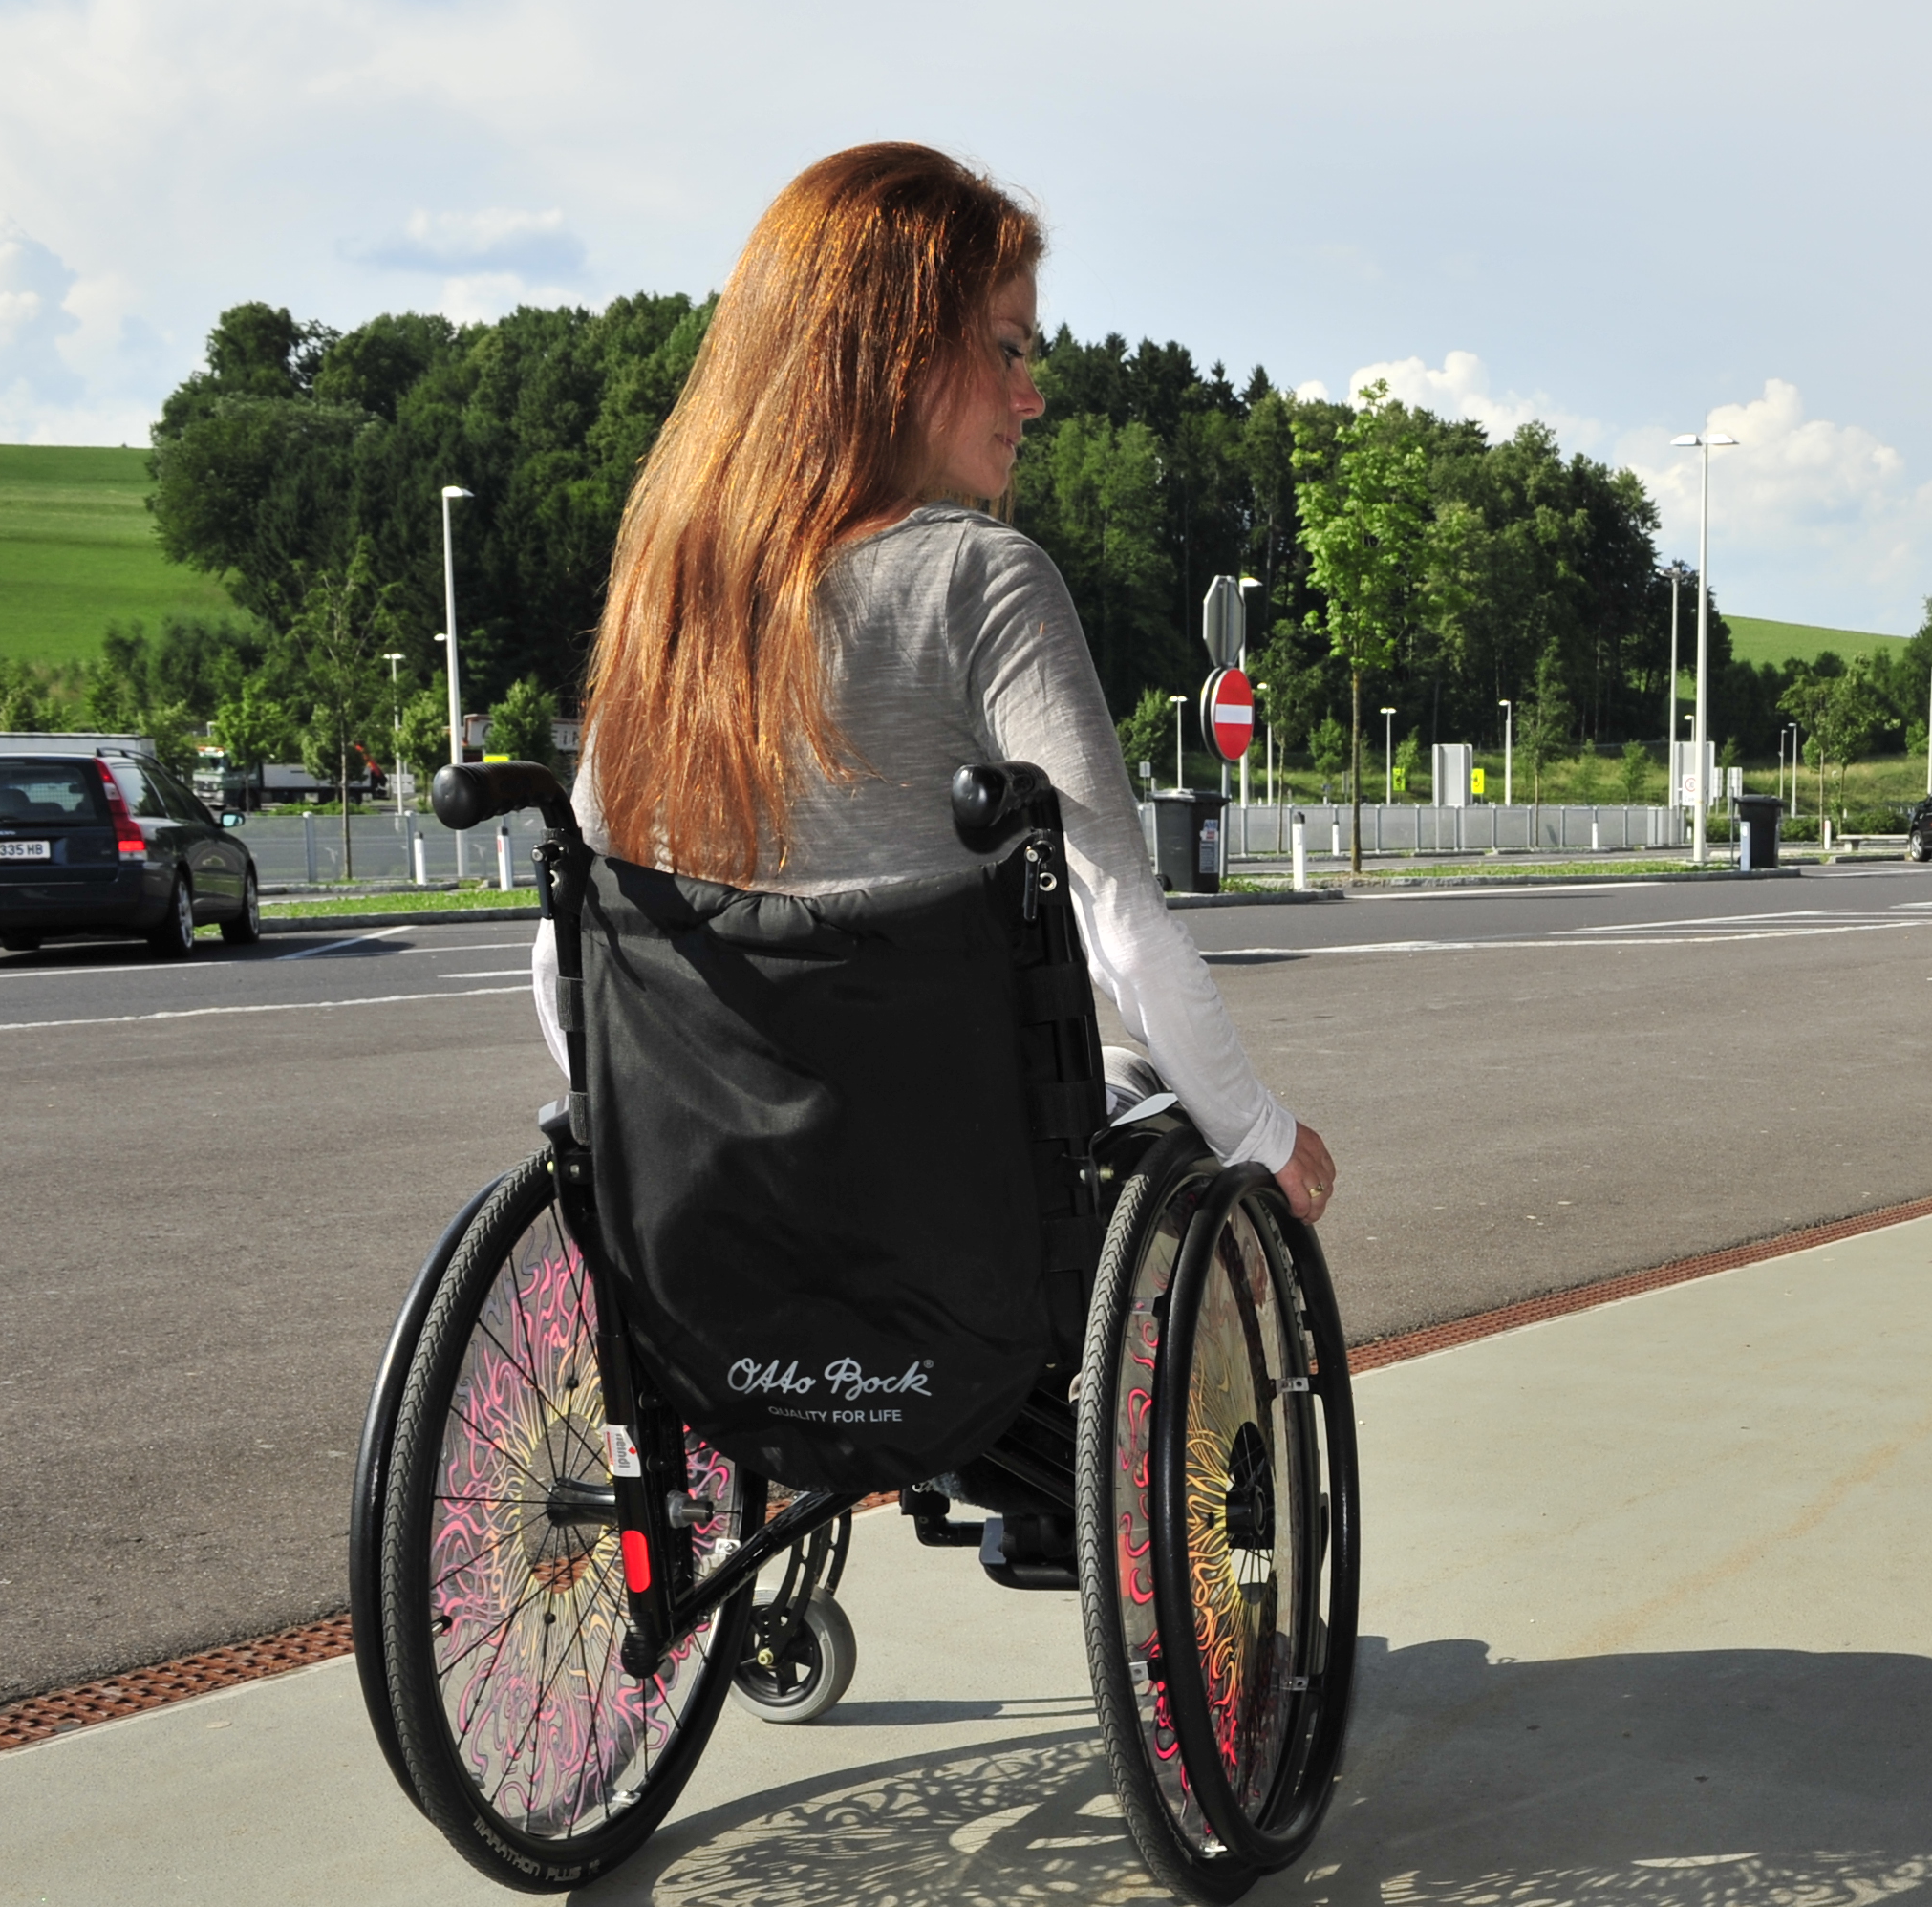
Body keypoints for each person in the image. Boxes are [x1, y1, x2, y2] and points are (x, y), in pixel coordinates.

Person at [528, 142, 1333, 1221]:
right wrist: (1267, 1137)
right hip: (948, 1195)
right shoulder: (983, 577)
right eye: (1006, 349)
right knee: (1157, 1107)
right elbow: (1124, 932)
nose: (1031, 395)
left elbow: (564, 958)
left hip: (720, 1197)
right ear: (894, 351)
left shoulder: (665, 594)